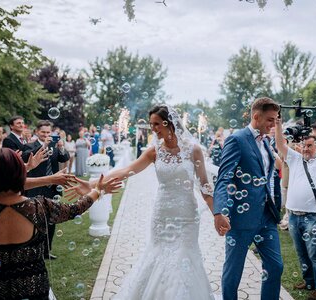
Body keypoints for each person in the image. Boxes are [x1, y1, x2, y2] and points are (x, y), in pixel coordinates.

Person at [69, 105, 219, 299]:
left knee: (185, 256)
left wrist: (217, 214)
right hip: (162, 214)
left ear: (170, 123)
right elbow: (125, 171)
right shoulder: (154, 151)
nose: (154, 129)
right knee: (159, 255)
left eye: (157, 124)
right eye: (151, 125)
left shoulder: (194, 150)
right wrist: (91, 184)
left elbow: (206, 187)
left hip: (187, 215)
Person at [0, 148, 121, 299]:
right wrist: (97, 191)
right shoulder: (39, 207)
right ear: (21, 174)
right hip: (33, 290)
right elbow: (75, 209)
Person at [214, 97, 283, 300]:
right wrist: (219, 212)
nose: (273, 124)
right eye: (270, 120)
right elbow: (224, 177)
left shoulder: (267, 140)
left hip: (267, 216)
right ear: (256, 116)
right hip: (241, 217)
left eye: (275, 120)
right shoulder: (237, 139)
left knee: (275, 266)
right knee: (233, 272)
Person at [275, 112, 316, 300]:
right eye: (303, 145)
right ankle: (308, 281)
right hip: (293, 214)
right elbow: (280, 144)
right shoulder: (294, 158)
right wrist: (278, 124)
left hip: (311, 216)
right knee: (301, 251)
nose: (305, 148)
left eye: (309, 145)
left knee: (314, 253)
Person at [22, 120, 70, 260]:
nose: (46, 134)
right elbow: (26, 156)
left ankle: (46, 251)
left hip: (52, 188)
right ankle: (34, 251)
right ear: (37, 132)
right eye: (43, 132)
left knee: (51, 220)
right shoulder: (30, 145)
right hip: (35, 187)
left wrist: (61, 147)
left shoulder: (55, 146)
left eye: (48, 132)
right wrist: (44, 145)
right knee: (35, 221)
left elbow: (64, 157)